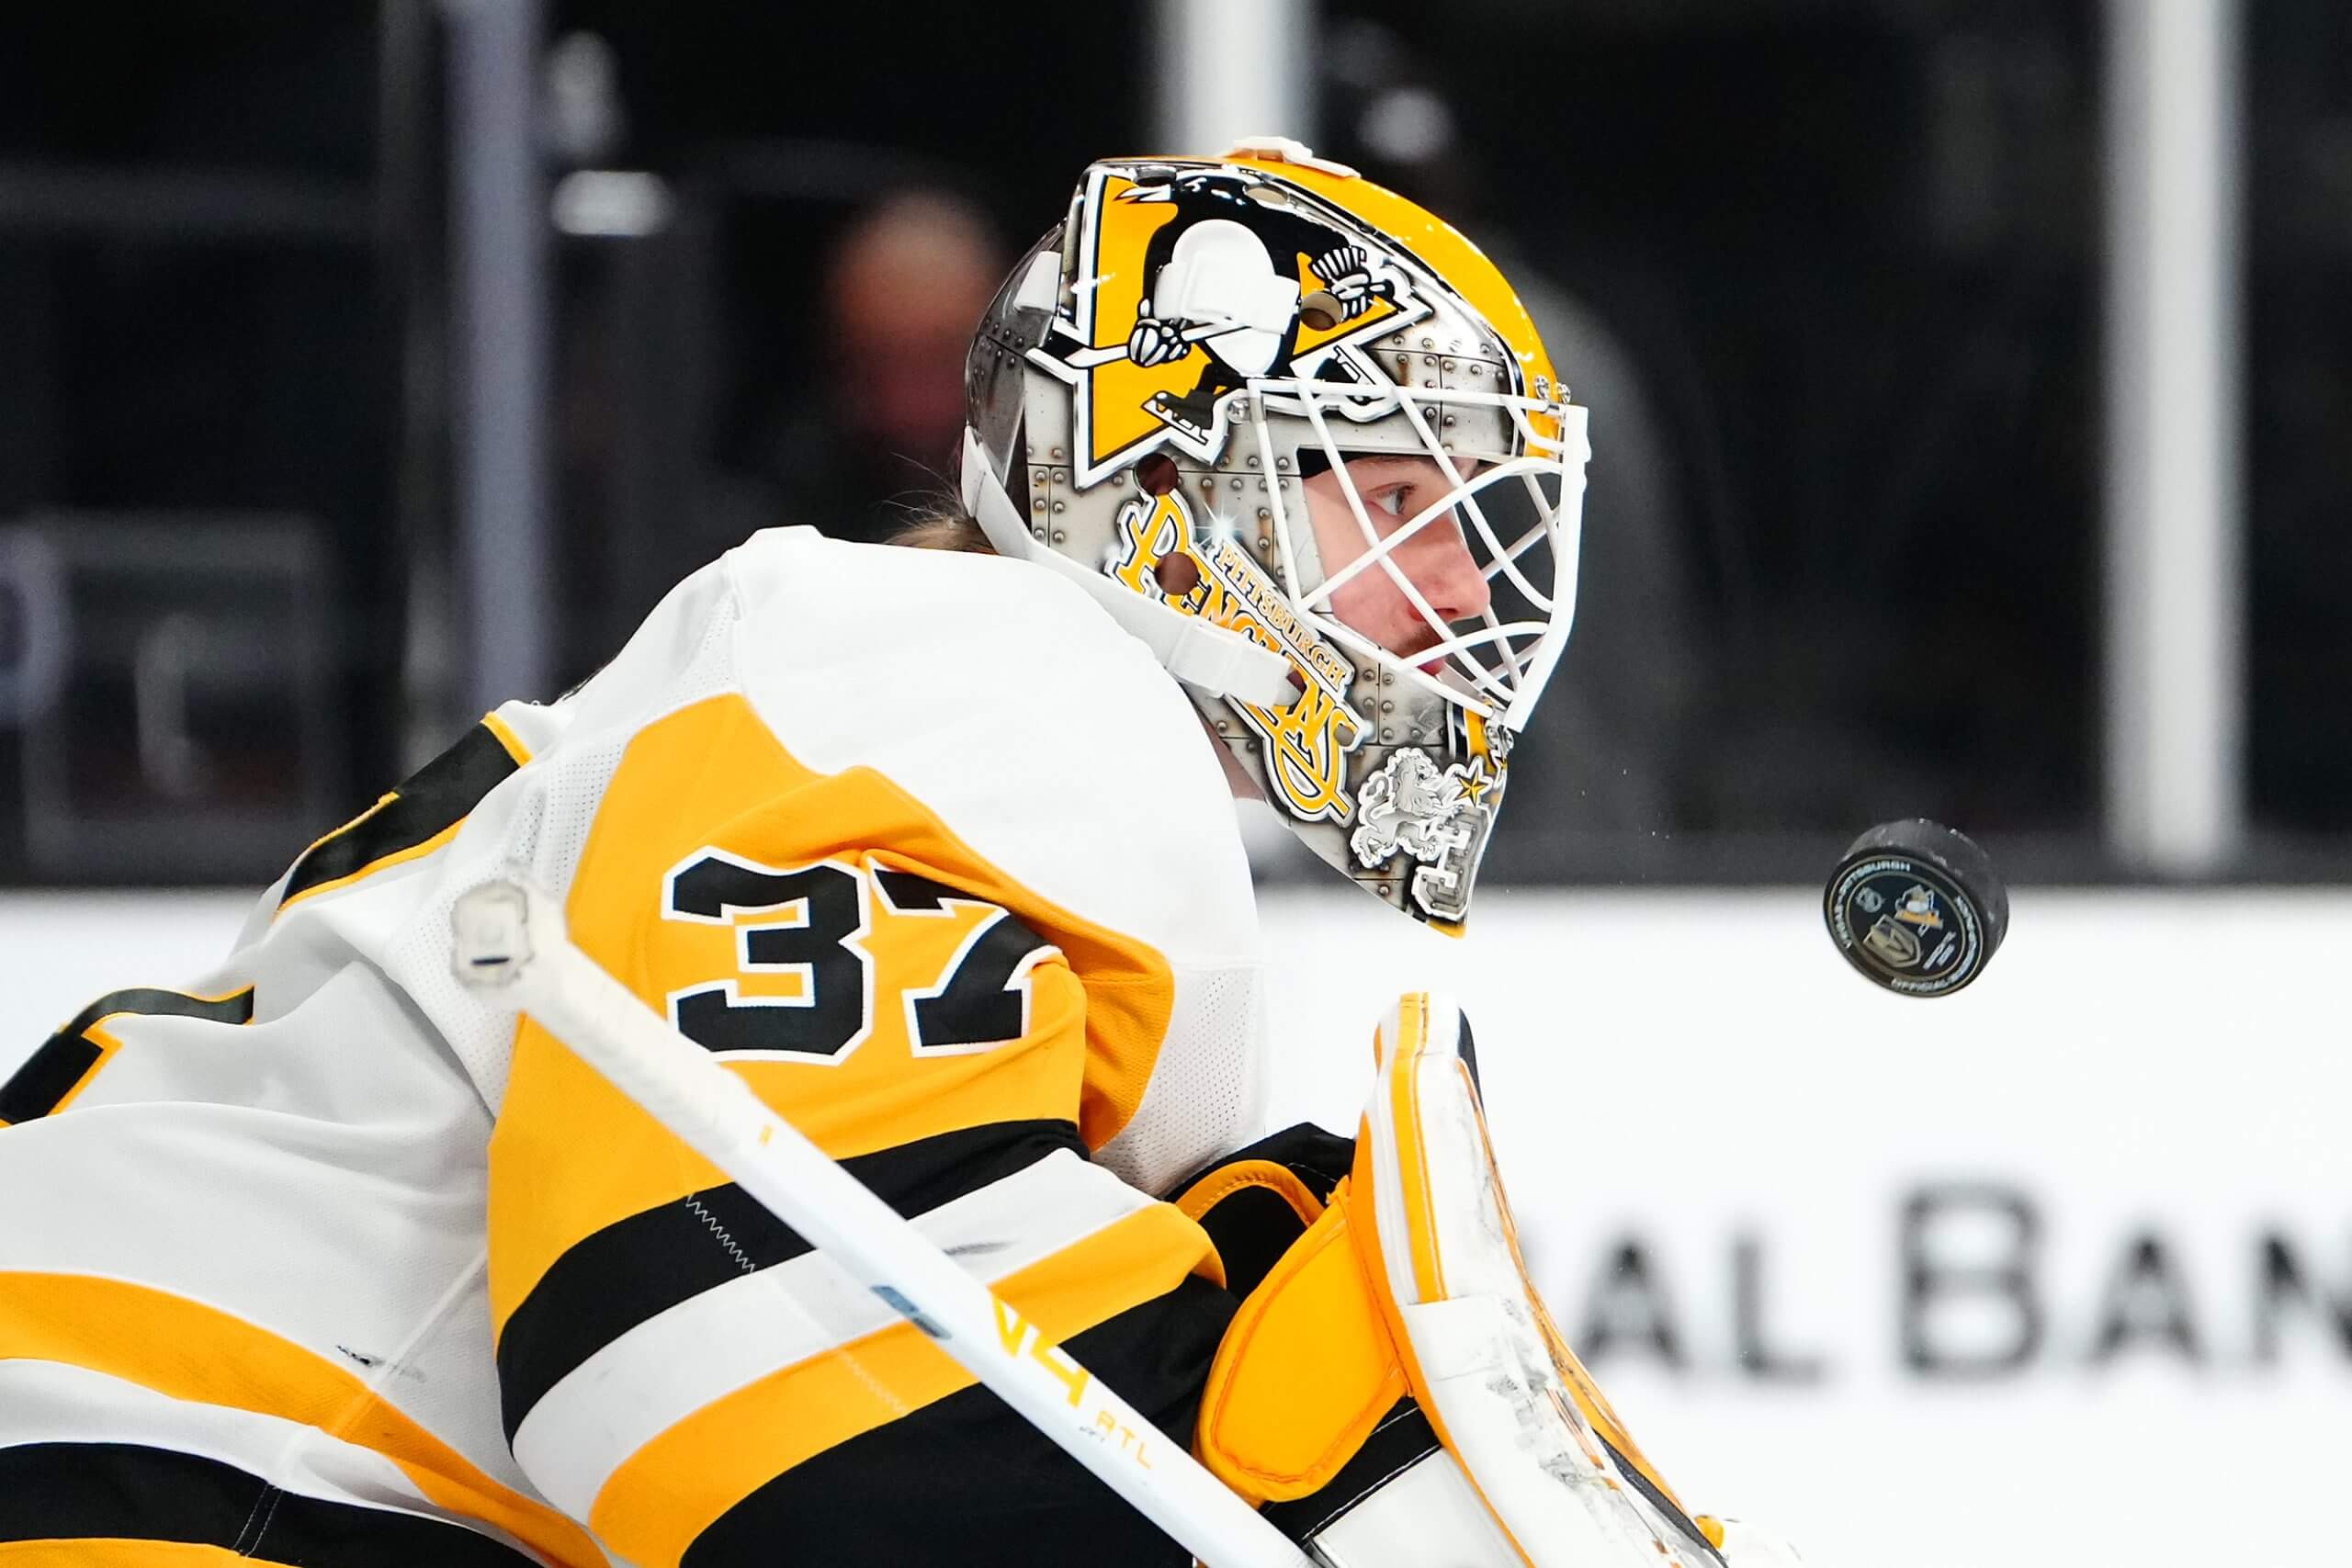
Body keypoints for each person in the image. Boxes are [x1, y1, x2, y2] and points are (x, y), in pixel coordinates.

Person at [0, 141, 1792, 1566]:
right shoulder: (992, 678)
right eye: (1399, 500)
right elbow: (729, 1359)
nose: (1470, 596)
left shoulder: (875, 678)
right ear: (1176, 473)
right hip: (200, 1482)